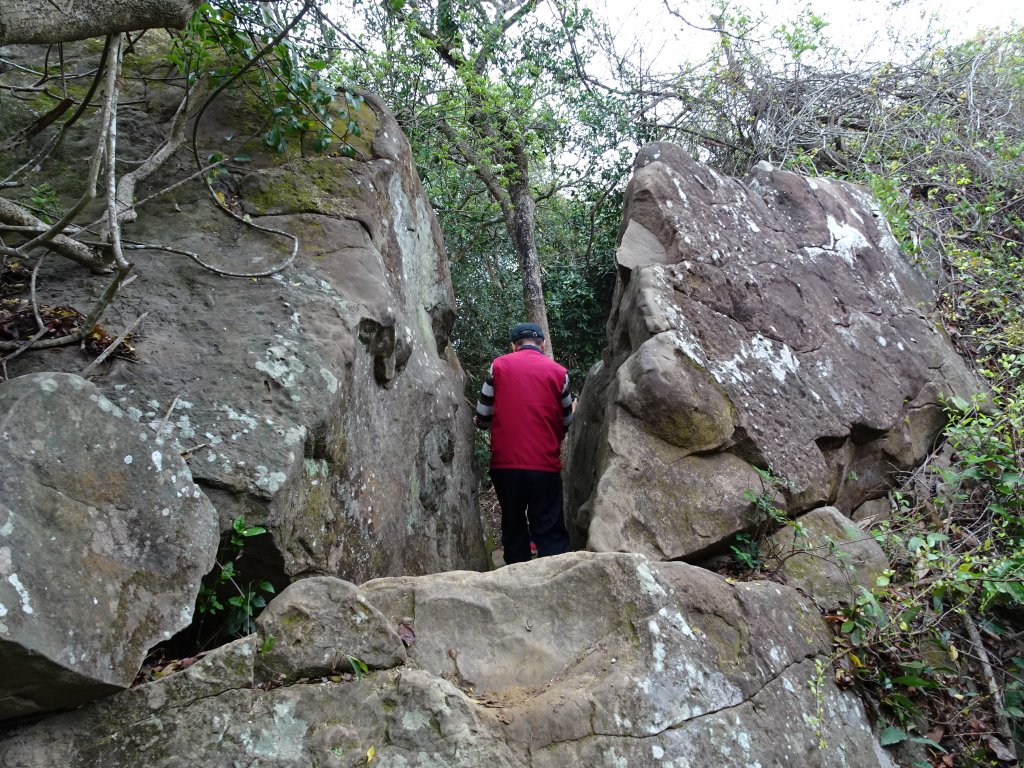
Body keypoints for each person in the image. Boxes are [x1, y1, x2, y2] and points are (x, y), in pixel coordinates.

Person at [474, 322, 574, 565]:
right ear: (543, 343)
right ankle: (554, 582)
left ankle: (516, 580)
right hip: (544, 464)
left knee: (513, 525)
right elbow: (567, 421)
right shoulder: (559, 372)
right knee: (548, 527)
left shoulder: (498, 366)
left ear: (513, 345)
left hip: (505, 464)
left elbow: (483, 415)